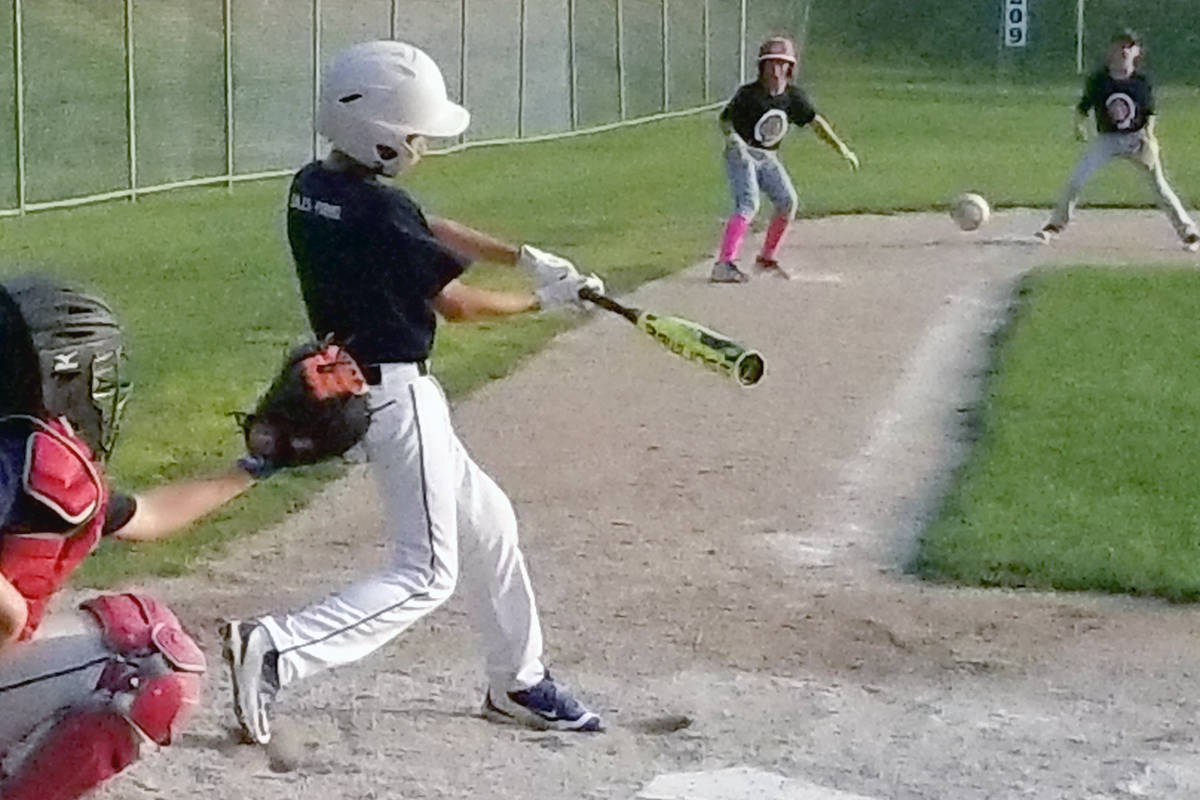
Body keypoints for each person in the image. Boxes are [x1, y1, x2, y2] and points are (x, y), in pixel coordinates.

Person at [221, 40, 606, 746]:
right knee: (426, 571)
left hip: (351, 382)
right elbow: (455, 304)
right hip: (397, 396)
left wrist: (521, 258)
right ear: (381, 137)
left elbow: (423, 226)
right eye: (413, 132)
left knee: (490, 524)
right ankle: (278, 648)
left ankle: (516, 680)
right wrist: (544, 301)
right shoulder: (379, 212)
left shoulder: (316, 184)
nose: (422, 143)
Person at [0, 275, 258, 800]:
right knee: (147, 659)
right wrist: (9, 611)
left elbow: (150, 515)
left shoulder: (29, 456)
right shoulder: (13, 456)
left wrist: (261, 464)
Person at [711, 35, 860, 283]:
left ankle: (766, 258)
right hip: (742, 153)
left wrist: (842, 148)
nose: (776, 70)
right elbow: (725, 119)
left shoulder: (792, 97)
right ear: (762, 67)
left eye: (782, 64)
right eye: (771, 64)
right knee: (748, 204)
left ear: (790, 68)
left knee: (787, 201)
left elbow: (815, 122)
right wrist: (732, 138)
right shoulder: (749, 95)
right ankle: (723, 264)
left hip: (767, 156)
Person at [1035, 29, 1200, 252]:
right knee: (1077, 181)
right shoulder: (1099, 80)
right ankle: (1054, 226)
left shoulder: (1141, 82)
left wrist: (1150, 141)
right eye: (1119, 45)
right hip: (1107, 140)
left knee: (1160, 187)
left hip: (1137, 138)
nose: (1124, 50)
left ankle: (1188, 232)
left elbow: (1149, 114)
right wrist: (1079, 127)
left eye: (1129, 46)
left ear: (1137, 52)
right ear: (1110, 50)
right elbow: (1083, 107)